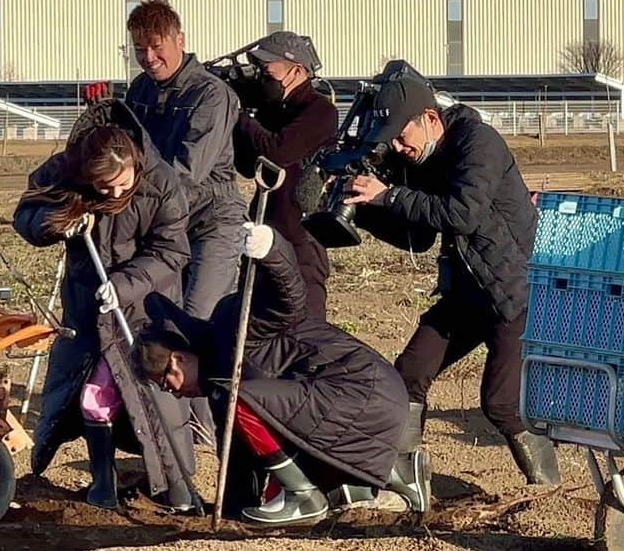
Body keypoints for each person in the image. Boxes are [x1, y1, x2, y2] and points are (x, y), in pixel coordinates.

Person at [135, 223, 429, 527]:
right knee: (249, 407)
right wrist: (235, 512)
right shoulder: (218, 377)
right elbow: (240, 455)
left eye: (166, 383)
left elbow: (288, 297)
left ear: (179, 358)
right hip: (353, 402)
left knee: (242, 400)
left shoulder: (235, 327)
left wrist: (272, 248)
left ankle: (302, 497)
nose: (173, 393)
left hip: (359, 389)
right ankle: (399, 473)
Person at [344, 75, 559, 486]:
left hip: (516, 292)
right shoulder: (422, 159)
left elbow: (462, 214)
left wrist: (388, 196)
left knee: (501, 405)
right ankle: (405, 484)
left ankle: (548, 491)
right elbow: (420, 236)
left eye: (402, 136)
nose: (399, 148)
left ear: (429, 118)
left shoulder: (480, 143)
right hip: (467, 291)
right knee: (408, 374)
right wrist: (364, 209)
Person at [13, 99, 199, 512]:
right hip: (85, 309)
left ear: (135, 161)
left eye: (123, 182)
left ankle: (178, 489)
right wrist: (59, 220)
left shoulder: (162, 181)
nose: (116, 192)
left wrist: (124, 285)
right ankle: (103, 480)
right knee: (91, 395)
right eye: (104, 187)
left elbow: (172, 253)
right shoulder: (64, 169)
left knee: (157, 401)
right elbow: (26, 214)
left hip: (146, 309)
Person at [125, 0, 246, 441]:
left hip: (212, 219)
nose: (149, 58)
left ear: (180, 40)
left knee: (201, 318)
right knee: (161, 319)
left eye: (157, 47)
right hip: (163, 222)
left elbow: (187, 172)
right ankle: (179, 422)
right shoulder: (139, 91)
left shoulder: (212, 95)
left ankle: (217, 426)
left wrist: (131, 194)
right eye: (140, 50)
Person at [232, 31, 338, 318]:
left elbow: (277, 151)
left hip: (301, 239)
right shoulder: (272, 110)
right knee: (255, 320)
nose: (263, 79)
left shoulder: (321, 111)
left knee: (307, 328)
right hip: (264, 230)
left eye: (268, 72)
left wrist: (240, 116)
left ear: (297, 71)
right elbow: (246, 164)